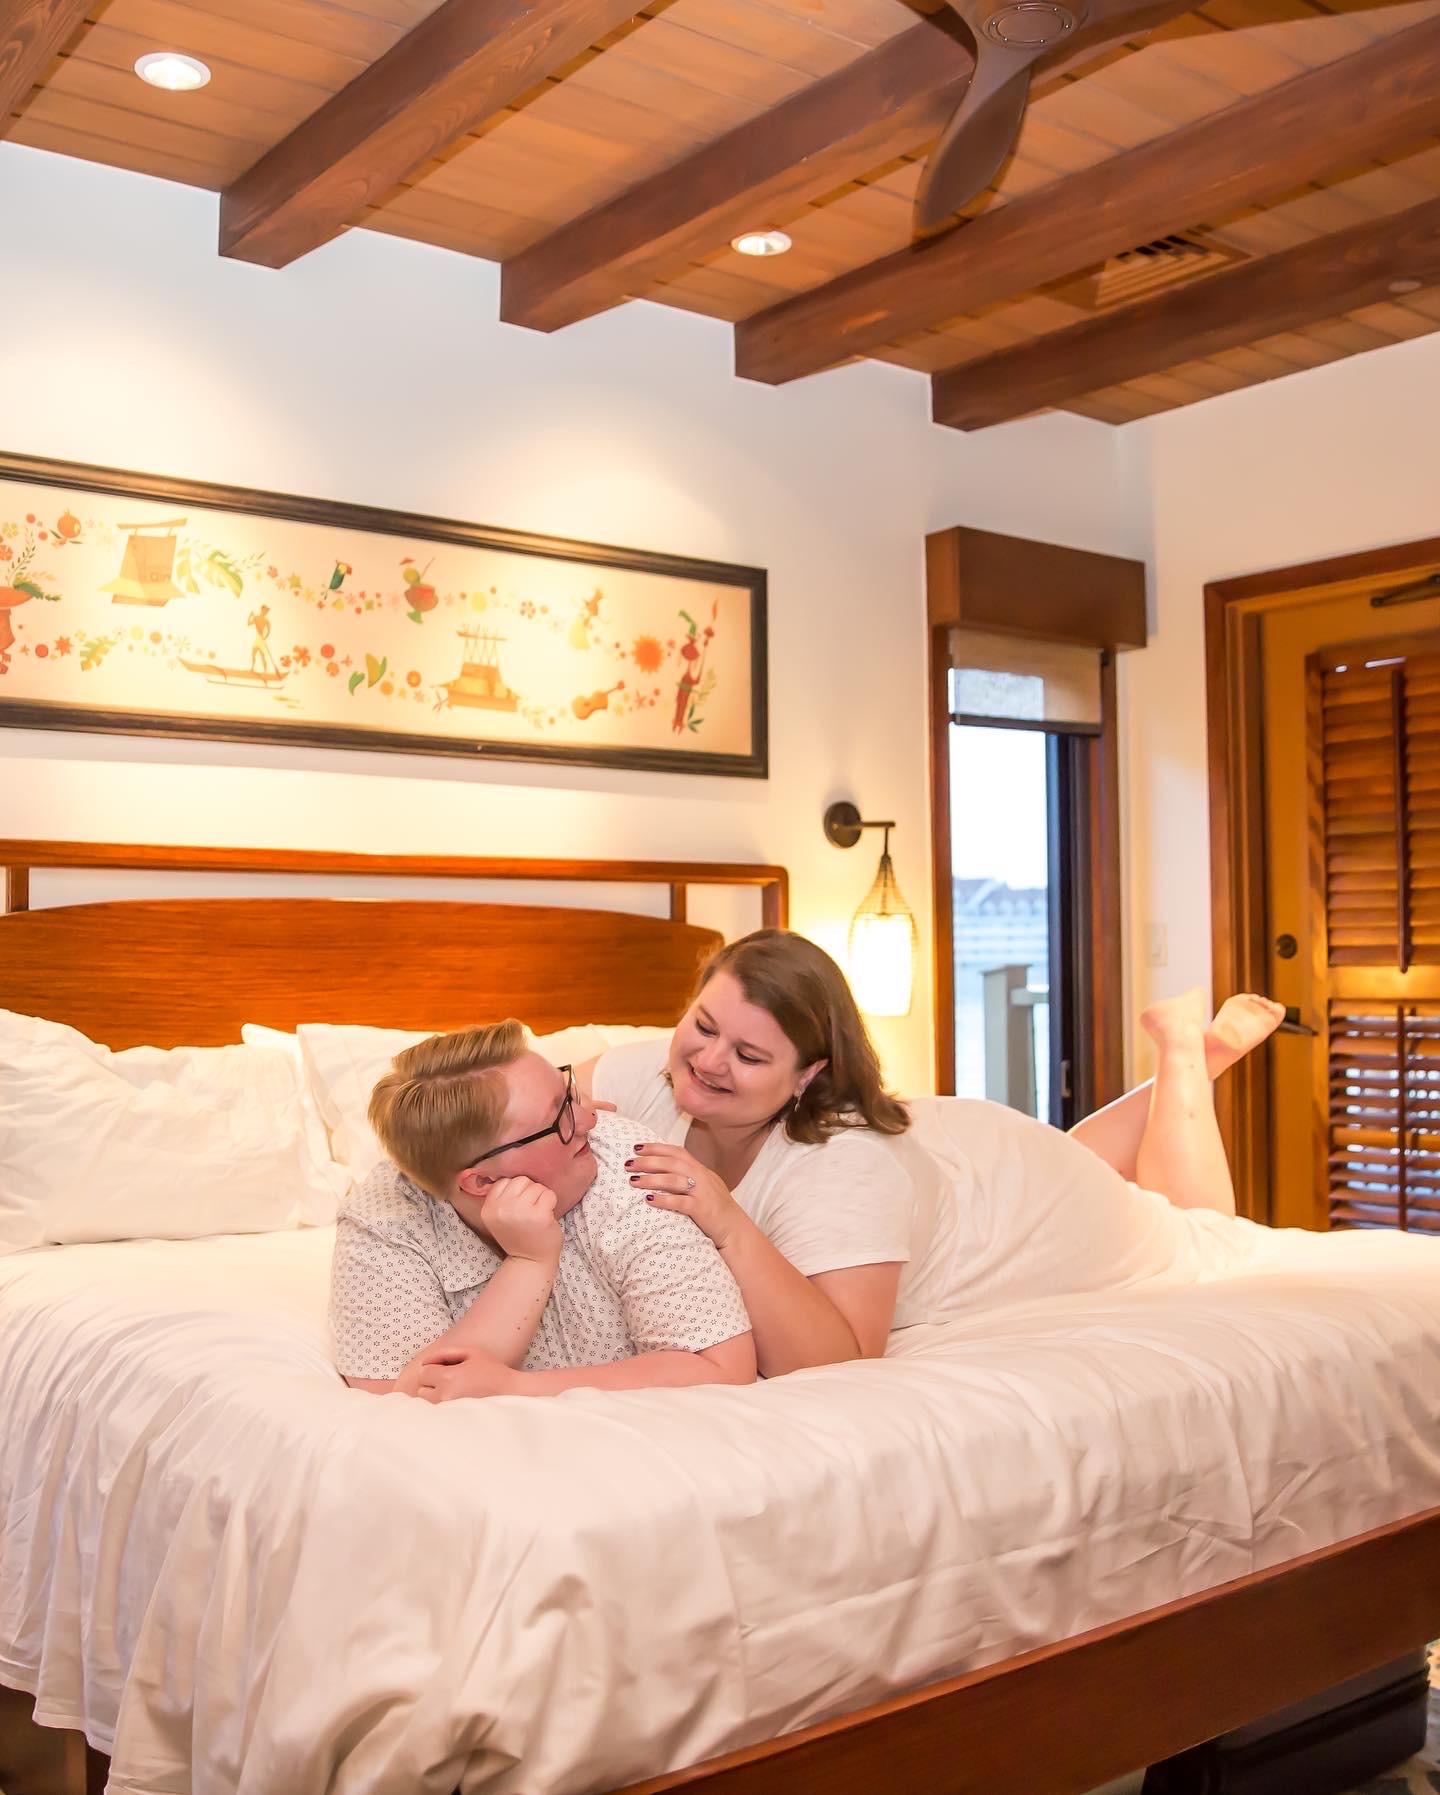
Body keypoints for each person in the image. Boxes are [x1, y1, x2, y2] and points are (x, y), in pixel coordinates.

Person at [577, 930, 1284, 1379]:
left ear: (808, 1075)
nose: (708, 1060)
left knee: (1193, 1230)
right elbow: (533, 1107)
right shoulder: (650, 1072)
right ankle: (1192, 1062)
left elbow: (841, 1358)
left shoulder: (844, 1165)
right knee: (1097, 1166)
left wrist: (726, 1219)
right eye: (703, 1026)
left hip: (1009, 1200)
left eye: (749, 1055)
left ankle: (1188, 1056)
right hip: (938, 1155)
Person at [328, 1021, 756, 1400]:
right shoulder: (385, 1219)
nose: (589, 1120)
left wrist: (515, 1388)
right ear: (482, 1182)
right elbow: (401, 1402)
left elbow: (721, 1367)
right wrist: (529, 1262)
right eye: (560, 1118)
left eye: (569, 1094)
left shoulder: (627, 1163)